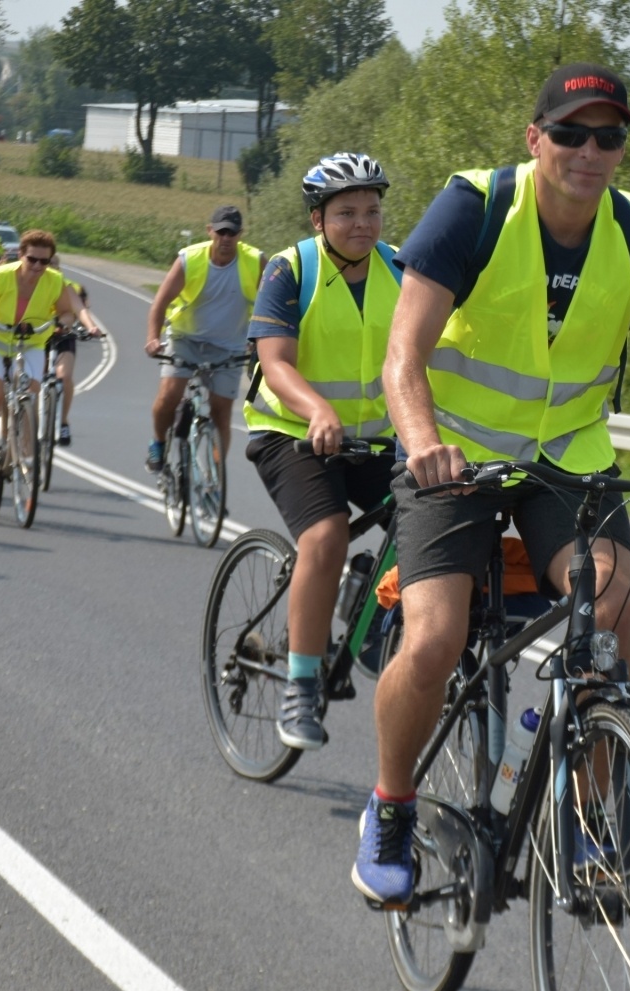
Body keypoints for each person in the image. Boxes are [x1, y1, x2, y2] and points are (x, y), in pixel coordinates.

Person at [351, 64, 630, 905]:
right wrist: (423, 441)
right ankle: (389, 807)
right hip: (454, 454)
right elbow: (403, 356)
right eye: (570, 132)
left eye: (608, 136)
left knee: (610, 606)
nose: (589, 150)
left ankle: (590, 813)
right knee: (433, 637)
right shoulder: (476, 207)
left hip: (566, 459)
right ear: (535, 138)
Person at [243, 153, 402, 750]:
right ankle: (300, 687)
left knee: (432, 511)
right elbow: (275, 362)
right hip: (292, 433)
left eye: (372, 210)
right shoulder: (290, 269)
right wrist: (318, 410)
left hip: (376, 440)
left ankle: (366, 603)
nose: (363, 223)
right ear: (318, 219)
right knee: (327, 534)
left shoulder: (401, 270)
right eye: (346, 213)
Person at [0, 229, 101, 468]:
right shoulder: (1, 276)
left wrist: (63, 324)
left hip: (29, 343)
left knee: (30, 391)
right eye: (32, 259)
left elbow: (67, 312)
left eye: (43, 261)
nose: (37, 265)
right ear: (21, 255)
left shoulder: (54, 281)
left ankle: (15, 444)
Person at [143, 205, 264, 474]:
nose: (226, 238)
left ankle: (214, 474)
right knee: (169, 396)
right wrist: (153, 338)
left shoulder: (255, 261)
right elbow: (160, 302)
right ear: (210, 231)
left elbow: (272, 305)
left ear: (240, 235)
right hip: (186, 340)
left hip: (230, 347)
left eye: (231, 233)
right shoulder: (190, 259)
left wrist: (261, 342)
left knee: (221, 411)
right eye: (220, 232)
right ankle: (159, 443)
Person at [46, 255, 85, 447]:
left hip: (63, 335)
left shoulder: (69, 286)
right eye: (47, 264)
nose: (50, 267)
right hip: (37, 334)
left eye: (53, 264)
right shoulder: (34, 283)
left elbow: (78, 311)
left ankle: (63, 421)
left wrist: (64, 326)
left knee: (65, 376)